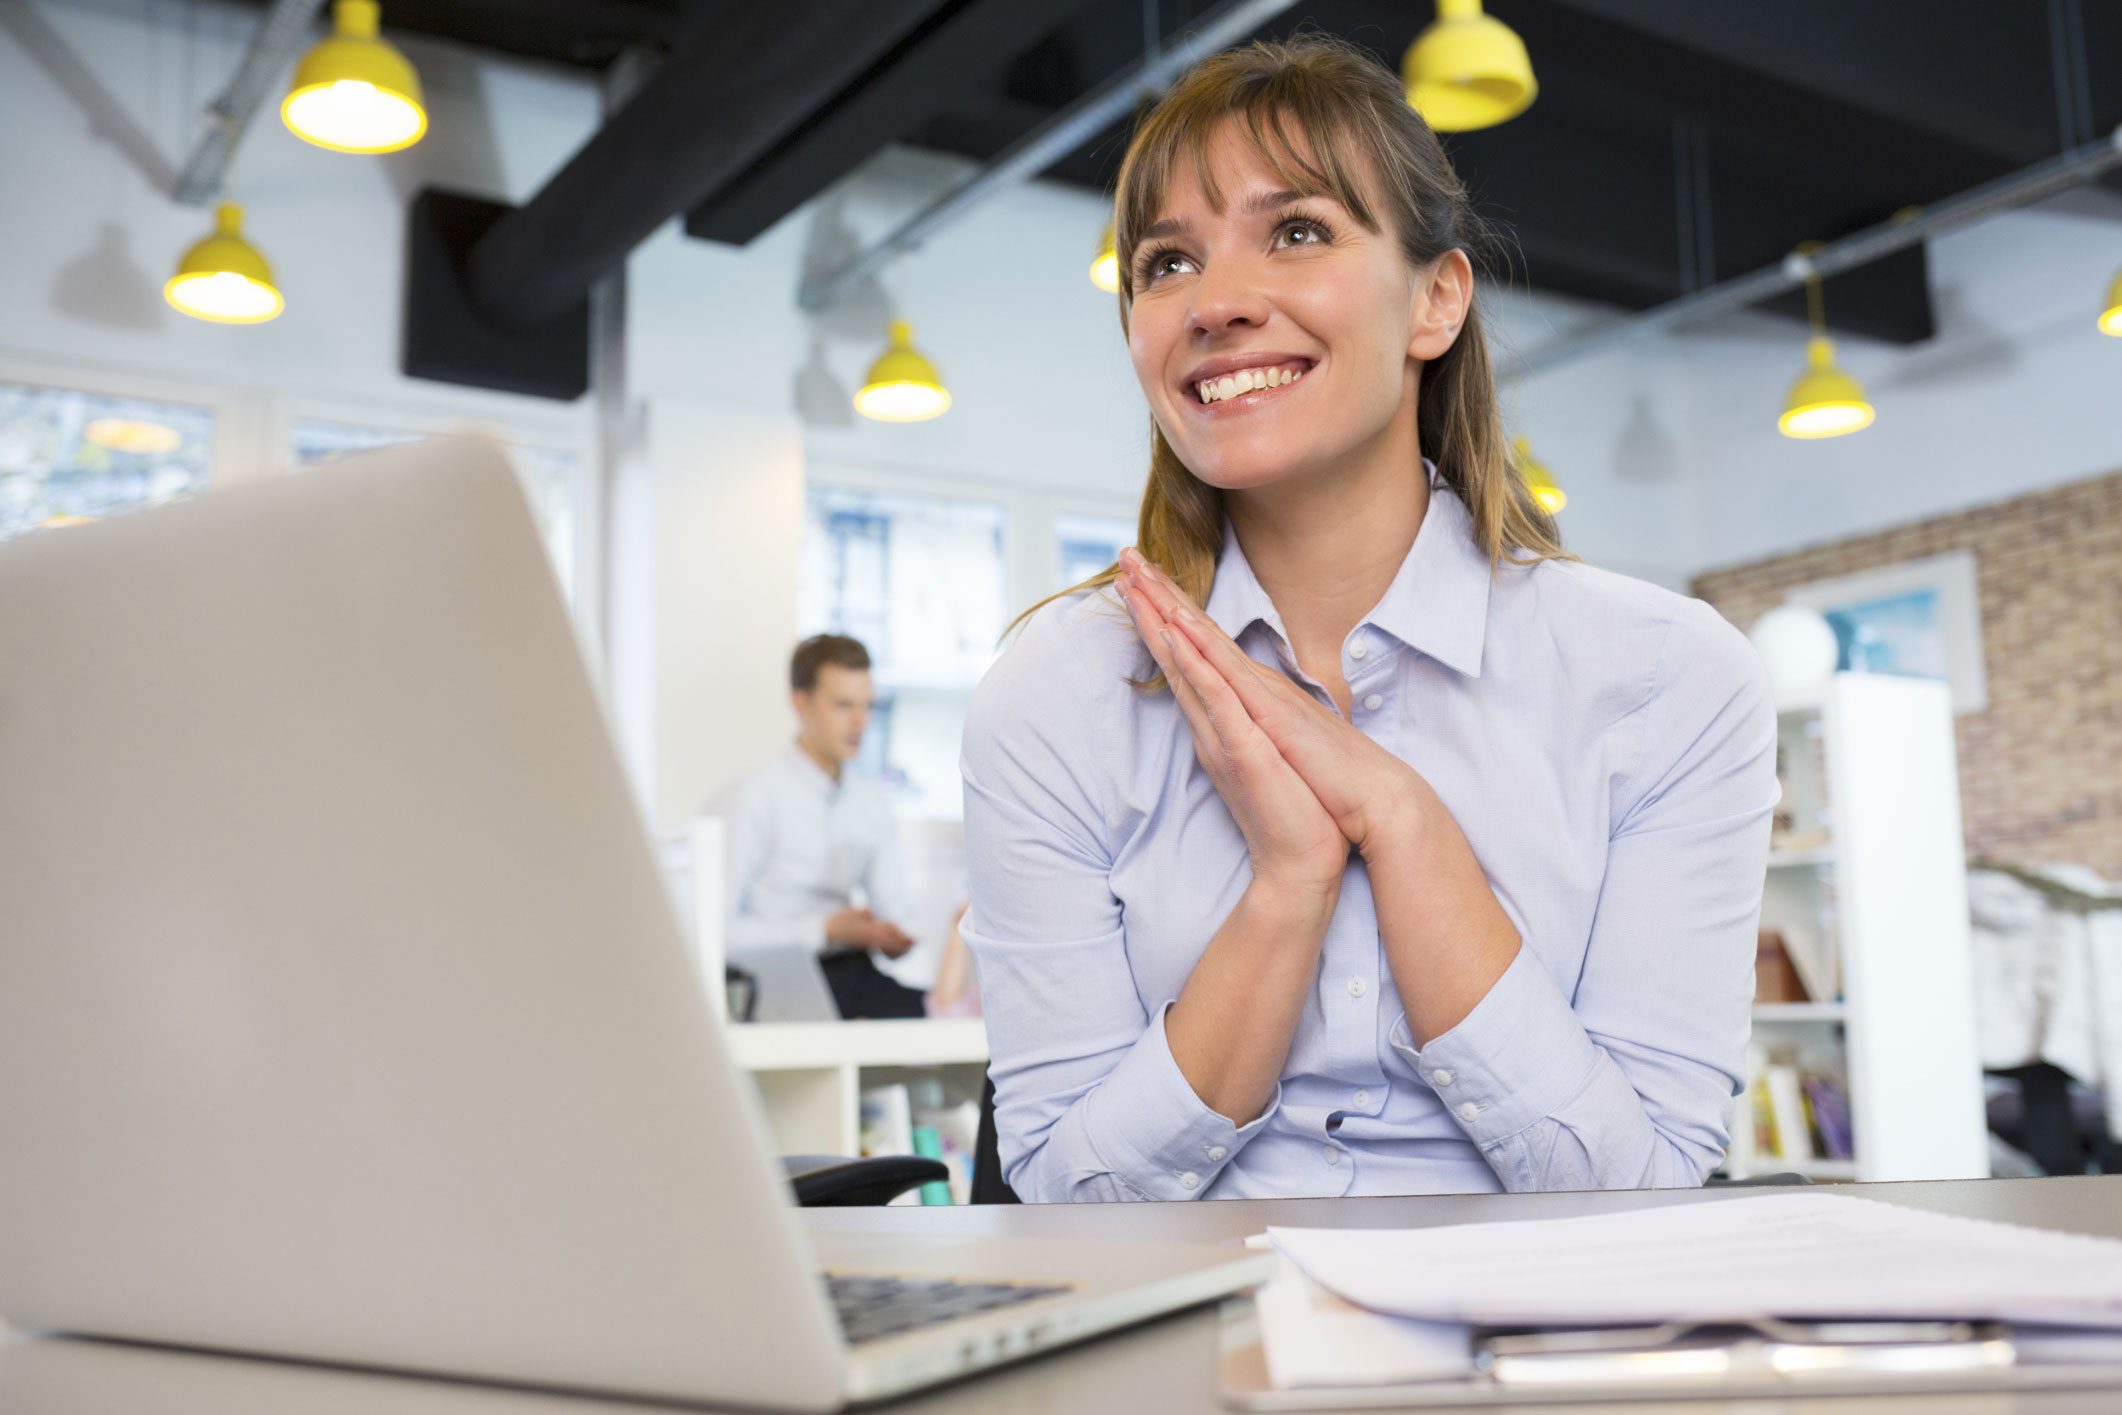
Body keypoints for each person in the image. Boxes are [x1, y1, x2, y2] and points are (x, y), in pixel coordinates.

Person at [959, 36, 1777, 1202]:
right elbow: (1066, 1204)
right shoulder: (1056, 692)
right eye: (1165, 261)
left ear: (1435, 300)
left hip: (1537, 1356)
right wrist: (1291, 879)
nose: (1217, 303)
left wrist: (1398, 821)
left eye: (1295, 231)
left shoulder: (1665, 678)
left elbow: (1639, 1191)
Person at [723, 634, 927, 1020]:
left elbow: (895, 909)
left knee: (951, 1023)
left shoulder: (872, 803)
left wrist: (894, 937)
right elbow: (718, 933)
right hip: (777, 979)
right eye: (843, 705)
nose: (859, 722)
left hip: (855, 972)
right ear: (800, 703)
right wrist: (825, 929)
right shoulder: (756, 797)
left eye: (867, 706)